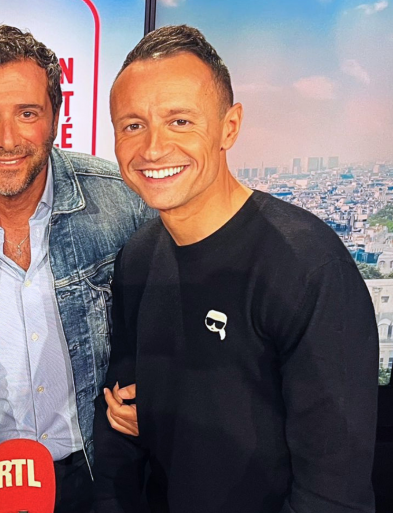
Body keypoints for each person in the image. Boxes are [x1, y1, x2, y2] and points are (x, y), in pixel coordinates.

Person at [95, 24, 379, 512]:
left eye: (180, 121)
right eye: (133, 125)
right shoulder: (138, 257)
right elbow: (123, 416)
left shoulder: (307, 267)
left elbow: (333, 492)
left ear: (230, 127)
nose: (153, 148)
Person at [0, 25, 153, 513]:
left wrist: (160, 390)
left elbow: (180, 315)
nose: (7, 139)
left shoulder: (123, 200)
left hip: (98, 472)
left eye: (27, 113)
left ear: (55, 118)